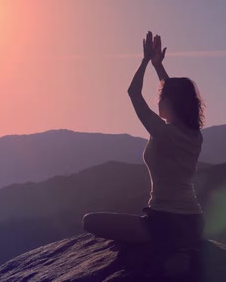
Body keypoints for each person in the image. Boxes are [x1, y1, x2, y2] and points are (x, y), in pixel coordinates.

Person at [82, 31, 206, 251]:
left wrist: (145, 60)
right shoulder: (194, 135)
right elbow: (172, 90)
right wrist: (157, 66)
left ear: (170, 102)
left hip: (164, 223)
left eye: (161, 97)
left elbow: (133, 92)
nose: (157, 99)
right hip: (193, 221)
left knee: (89, 221)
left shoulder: (163, 132)